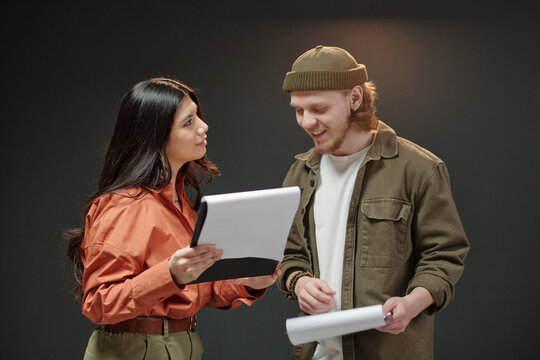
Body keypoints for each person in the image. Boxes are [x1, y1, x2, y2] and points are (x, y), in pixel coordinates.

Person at [276, 45, 469, 360]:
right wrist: (299, 283)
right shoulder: (300, 173)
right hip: (317, 352)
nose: (306, 122)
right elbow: (287, 254)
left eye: (318, 109)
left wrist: (412, 303)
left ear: (354, 98)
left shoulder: (420, 169)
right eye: (298, 110)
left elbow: (444, 256)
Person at [65, 78, 278, 360]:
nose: (204, 126)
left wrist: (249, 282)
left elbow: (201, 287)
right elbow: (98, 304)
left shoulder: (180, 202)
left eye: (198, 116)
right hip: (135, 350)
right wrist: (169, 274)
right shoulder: (122, 207)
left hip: (182, 344)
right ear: (156, 136)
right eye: (188, 122)